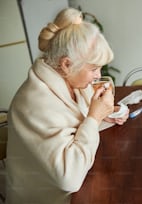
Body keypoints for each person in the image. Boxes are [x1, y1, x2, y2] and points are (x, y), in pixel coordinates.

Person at [6, 8, 129, 204]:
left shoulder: (73, 81)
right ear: (66, 64)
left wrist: (106, 115)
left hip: (81, 183)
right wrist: (94, 118)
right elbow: (69, 179)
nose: (98, 75)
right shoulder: (35, 103)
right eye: (94, 69)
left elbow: (79, 126)